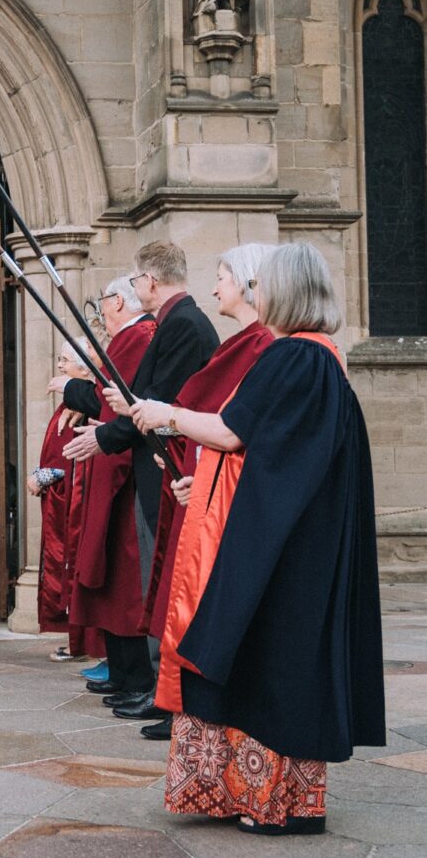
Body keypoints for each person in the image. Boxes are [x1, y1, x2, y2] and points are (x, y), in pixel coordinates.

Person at [132, 243, 385, 835]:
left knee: (256, 657)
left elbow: (228, 431)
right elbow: (272, 453)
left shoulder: (290, 356)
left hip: (280, 548)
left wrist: (162, 413)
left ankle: (267, 804)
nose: (254, 293)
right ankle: (294, 803)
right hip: (305, 540)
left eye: (260, 284)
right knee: (291, 662)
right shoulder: (326, 359)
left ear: (286, 292)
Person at [64, 240, 219, 719]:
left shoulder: (183, 325)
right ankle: (163, 695)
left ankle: (166, 695)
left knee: (164, 580)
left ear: (150, 281)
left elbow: (158, 402)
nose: (134, 291)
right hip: (160, 467)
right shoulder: (175, 323)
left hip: (169, 470)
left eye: (134, 281)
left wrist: (107, 435)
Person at [127, 242, 274, 740]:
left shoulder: (266, 347)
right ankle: (178, 701)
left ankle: (188, 706)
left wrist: (164, 415)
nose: (213, 288)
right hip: (205, 482)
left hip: (230, 499)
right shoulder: (243, 341)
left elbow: (233, 429)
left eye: (223, 277)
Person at [59, 279, 154, 700]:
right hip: (111, 465)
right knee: (110, 574)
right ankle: (121, 670)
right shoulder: (134, 336)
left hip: (124, 475)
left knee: (125, 578)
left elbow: (111, 400)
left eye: (101, 306)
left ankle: (135, 677)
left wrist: (70, 390)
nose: (100, 316)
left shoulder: (136, 336)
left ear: (117, 302)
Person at [29, 338, 96, 658]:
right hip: (60, 499)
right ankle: (75, 639)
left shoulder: (84, 403)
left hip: (75, 502)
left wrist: (43, 476)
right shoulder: (70, 402)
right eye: (57, 358)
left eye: (65, 360)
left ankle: (82, 641)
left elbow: (73, 455)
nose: (58, 365)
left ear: (84, 367)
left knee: (75, 567)